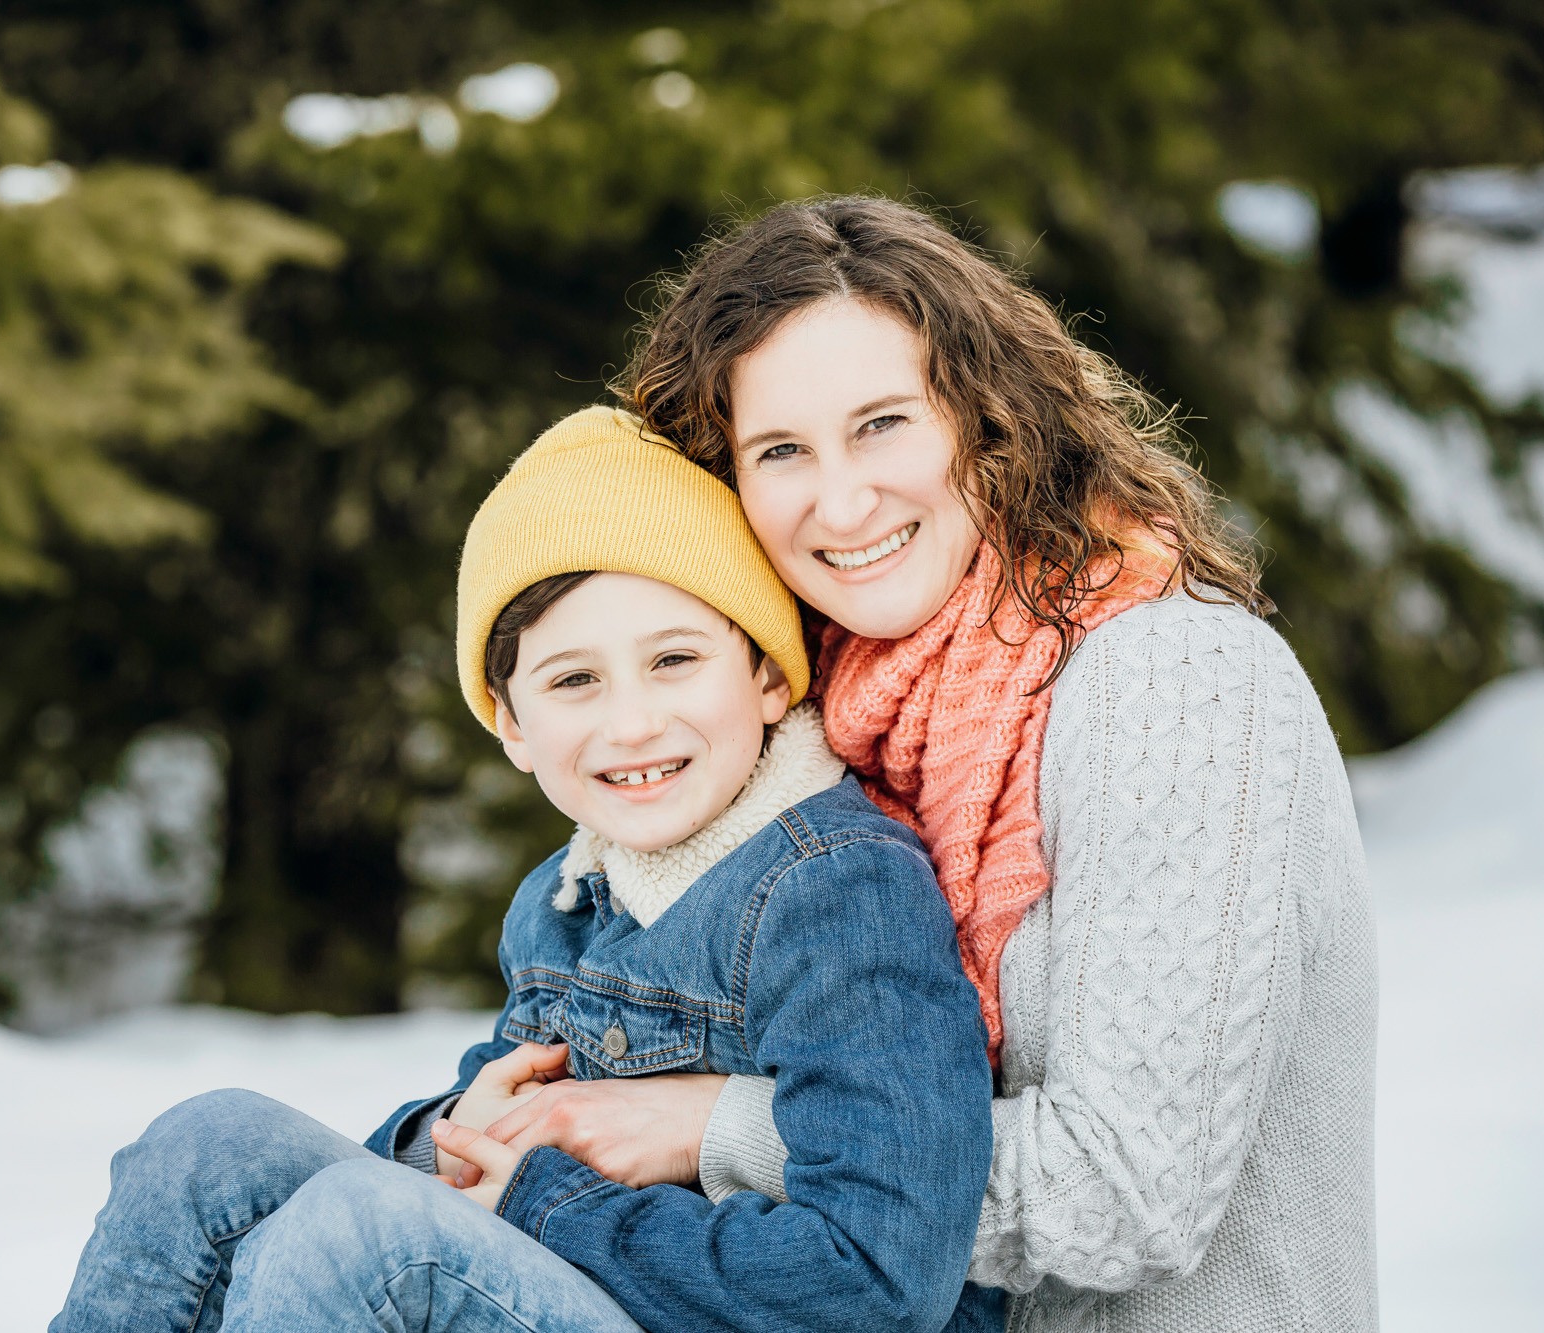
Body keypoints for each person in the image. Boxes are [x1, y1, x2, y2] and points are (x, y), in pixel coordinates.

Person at [472, 197, 1381, 1332]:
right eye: (781, 451)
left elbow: (1128, 1191)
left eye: (883, 424)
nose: (842, 499)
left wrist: (709, 1128)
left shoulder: (1171, 681)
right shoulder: (813, 701)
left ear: (985, 418)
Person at [50, 405, 1003, 1333]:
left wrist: (541, 1204)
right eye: (573, 680)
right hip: (584, 1286)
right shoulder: (565, 900)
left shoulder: (836, 889)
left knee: (358, 1235)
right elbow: (496, 1130)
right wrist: (451, 1136)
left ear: (765, 675)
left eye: (674, 659)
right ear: (512, 724)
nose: (631, 721)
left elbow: (882, 1279)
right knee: (208, 1144)